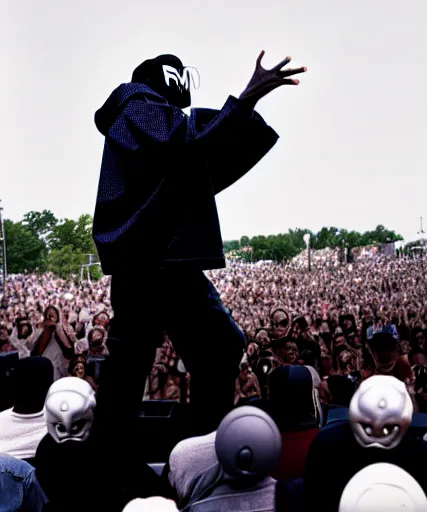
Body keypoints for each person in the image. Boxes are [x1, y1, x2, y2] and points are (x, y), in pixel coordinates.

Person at [91, 50, 306, 504]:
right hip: (159, 263)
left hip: (152, 261)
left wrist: (241, 113)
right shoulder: (139, 104)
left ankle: (114, 461)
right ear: (169, 78)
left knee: (133, 363)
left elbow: (196, 163)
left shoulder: (138, 117)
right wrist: (246, 96)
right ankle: (202, 453)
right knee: (215, 347)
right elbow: (192, 142)